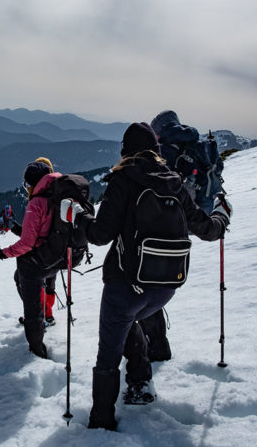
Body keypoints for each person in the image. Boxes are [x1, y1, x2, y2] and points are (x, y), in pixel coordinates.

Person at [63, 122, 231, 430]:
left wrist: (78, 215)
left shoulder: (122, 180)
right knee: (130, 321)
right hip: (165, 287)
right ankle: (140, 383)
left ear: (125, 151)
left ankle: (101, 422)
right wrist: (222, 214)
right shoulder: (174, 182)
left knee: (109, 354)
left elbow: (100, 235)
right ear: (156, 150)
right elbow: (206, 228)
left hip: (126, 286)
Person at [139, 110, 226, 362]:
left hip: (161, 227)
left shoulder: (165, 151)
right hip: (188, 224)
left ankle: (154, 348)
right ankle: (155, 345)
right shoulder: (197, 146)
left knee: (142, 287)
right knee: (153, 287)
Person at [0, 159, 61, 358]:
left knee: (28, 296)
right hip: (58, 257)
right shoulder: (57, 195)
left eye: (27, 184)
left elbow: (27, 244)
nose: (26, 188)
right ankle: (45, 314)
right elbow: (42, 232)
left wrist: (2, 253)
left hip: (39, 262)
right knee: (40, 284)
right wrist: (19, 229)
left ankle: (37, 349)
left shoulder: (36, 203)